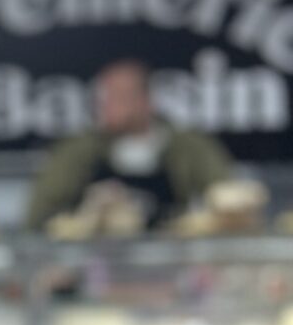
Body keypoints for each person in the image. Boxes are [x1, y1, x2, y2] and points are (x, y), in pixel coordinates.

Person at [25, 59, 232, 229]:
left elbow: (229, 202)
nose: (107, 106)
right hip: (96, 266)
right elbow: (40, 216)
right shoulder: (76, 151)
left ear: (145, 101)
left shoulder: (189, 147)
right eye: (103, 98)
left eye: (119, 97)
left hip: (171, 261)